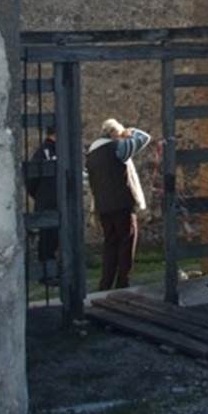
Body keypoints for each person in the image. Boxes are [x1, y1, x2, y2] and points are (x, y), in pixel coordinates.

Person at [86, 118, 151, 291]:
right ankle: (123, 282)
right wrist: (130, 132)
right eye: (119, 134)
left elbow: (89, 181)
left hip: (103, 206)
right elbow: (144, 138)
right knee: (126, 241)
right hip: (122, 204)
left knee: (110, 244)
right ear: (114, 134)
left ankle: (105, 283)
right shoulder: (117, 148)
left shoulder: (91, 155)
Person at [29, 131, 58, 281]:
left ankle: (55, 272)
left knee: (55, 239)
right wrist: (40, 196)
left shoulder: (57, 150)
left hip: (53, 201)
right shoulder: (43, 152)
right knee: (48, 240)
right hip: (49, 202)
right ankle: (47, 274)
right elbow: (31, 178)